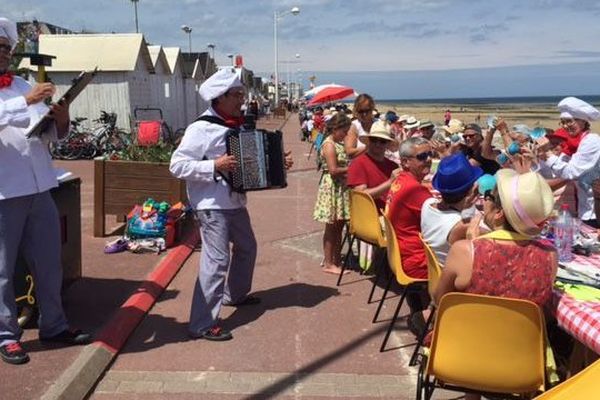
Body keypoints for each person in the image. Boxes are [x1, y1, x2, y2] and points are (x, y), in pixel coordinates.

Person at [169, 68, 292, 341]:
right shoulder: (200, 128)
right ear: (220, 97)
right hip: (211, 204)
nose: (242, 100)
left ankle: (233, 295)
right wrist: (215, 165)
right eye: (237, 95)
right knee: (216, 260)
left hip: (234, 201)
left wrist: (277, 166)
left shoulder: (235, 127)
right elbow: (176, 165)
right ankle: (201, 324)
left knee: (247, 247)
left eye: (242, 94)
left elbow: (249, 163)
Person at [0, 18, 91, 365]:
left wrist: (61, 117)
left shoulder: (22, 83)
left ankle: (54, 324)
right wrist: (25, 100)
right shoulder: (25, 91)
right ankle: (6, 335)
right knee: (3, 269)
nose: (4, 54)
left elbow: (49, 134)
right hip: (4, 192)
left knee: (49, 263)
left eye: (7, 48)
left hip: (40, 186)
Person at [434, 170, 557, 400]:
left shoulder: (465, 250)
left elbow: (439, 300)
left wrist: (473, 243)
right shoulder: (550, 255)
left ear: (499, 213)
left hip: (460, 358)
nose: (484, 200)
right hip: (522, 366)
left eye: (489, 196)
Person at [386, 137, 433, 335]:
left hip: (400, 254)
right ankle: (429, 318)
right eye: (422, 156)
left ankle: (422, 311)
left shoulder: (401, 181)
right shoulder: (414, 189)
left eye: (431, 154)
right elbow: (440, 221)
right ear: (405, 162)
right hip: (415, 260)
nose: (429, 160)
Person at [540, 97, 600, 227]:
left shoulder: (591, 141)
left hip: (594, 212)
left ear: (583, 121)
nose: (566, 126)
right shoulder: (573, 146)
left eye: (569, 122)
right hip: (583, 211)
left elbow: (570, 172)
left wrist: (547, 153)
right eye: (563, 122)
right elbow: (558, 171)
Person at [421, 153, 483, 266]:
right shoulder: (463, 226)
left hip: (439, 273)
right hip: (454, 280)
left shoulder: (427, 204)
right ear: (472, 190)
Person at [313, 113, 352, 275]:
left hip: (340, 188)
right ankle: (329, 263)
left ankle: (336, 259)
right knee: (331, 227)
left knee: (339, 225)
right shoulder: (329, 144)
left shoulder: (337, 143)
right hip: (332, 188)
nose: (346, 134)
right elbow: (333, 170)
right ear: (336, 129)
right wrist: (351, 169)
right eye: (344, 131)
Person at [344, 94, 375, 159]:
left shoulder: (378, 124)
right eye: (361, 111)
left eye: (367, 110)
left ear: (372, 108)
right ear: (356, 111)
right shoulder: (354, 126)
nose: (364, 114)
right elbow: (349, 153)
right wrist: (369, 146)